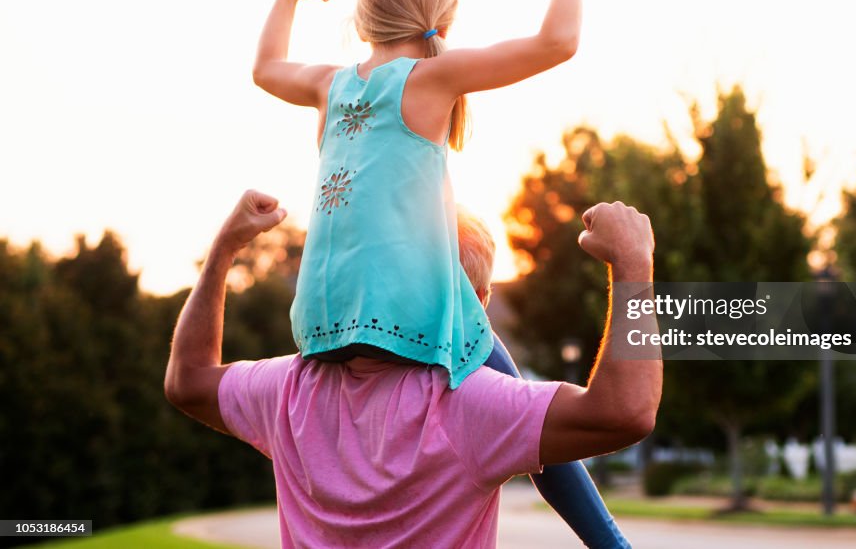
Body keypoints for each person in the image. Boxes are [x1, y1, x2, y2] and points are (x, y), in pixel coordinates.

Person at [250, 0, 628, 546]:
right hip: (401, 312)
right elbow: (557, 42)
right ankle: (611, 544)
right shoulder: (430, 77)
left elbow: (264, 69)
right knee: (528, 408)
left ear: (363, 21)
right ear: (441, 22)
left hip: (320, 317)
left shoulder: (328, 84)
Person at [164, 191, 661, 548]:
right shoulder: (467, 407)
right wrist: (632, 263)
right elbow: (625, 412)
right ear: (480, 305)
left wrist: (224, 249)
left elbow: (187, 379)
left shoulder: (290, 391)